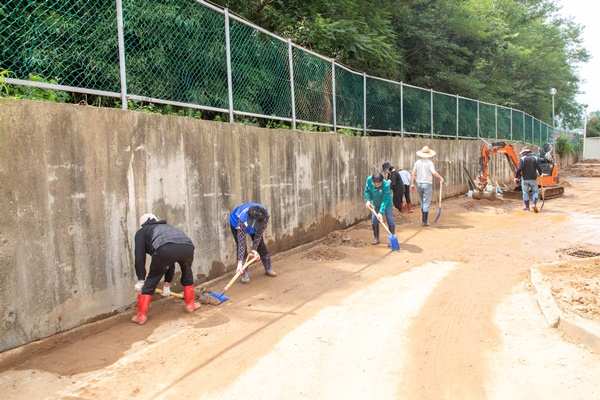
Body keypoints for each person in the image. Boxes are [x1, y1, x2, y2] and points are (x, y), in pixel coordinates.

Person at [132, 213, 201, 325]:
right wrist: (166, 285)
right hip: (187, 246)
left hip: (165, 249)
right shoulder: (168, 228)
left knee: (152, 278)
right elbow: (170, 261)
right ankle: (190, 305)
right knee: (187, 271)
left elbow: (139, 257)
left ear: (142, 225)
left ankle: (141, 316)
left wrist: (141, 279)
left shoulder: (142, 232)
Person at [229, 203, 277, 284]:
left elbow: (258, 235)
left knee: (260, 245)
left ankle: (268, 268)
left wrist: (254, 250)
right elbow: (241, 242)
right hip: (236, 224)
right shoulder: (242, 218)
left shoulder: (265, 217)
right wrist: (240, 263)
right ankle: (244, 272)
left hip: (254, 224)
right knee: (242, 247)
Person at [411, 146, 444, 227]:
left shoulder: (417, 162)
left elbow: (413, 173)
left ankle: (423, 220)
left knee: (422, 201)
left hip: (419, 184)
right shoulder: (429, 162)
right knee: (426, 202)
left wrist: (412, 183)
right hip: (427, 184)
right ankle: (424, 221)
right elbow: (433, 172)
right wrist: (440, 177)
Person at [364, 173, 396, 245]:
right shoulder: (369, 180)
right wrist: (368, 200)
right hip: (375, 203)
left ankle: (391, 239)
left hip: (387, 204)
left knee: (390, 219)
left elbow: (385, 200)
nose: (378, 185)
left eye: (379, 184)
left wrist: (381, 213)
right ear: (373, 182)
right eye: (376, 184)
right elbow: (367, 191)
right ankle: (376, 238)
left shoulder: (386, 185)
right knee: (374, 220)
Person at [514, 147, 543, 213]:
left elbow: (519, 169)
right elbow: (539, 167)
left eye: (522, 153)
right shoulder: (535, 158)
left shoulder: (522, 159)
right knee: (535, 192)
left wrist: (516, 177)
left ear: (524, 152)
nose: (522, 154)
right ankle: (534, 204)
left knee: (525, 193)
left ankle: (527, 207)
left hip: (525, 179)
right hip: (533, 179)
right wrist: (541, 174)